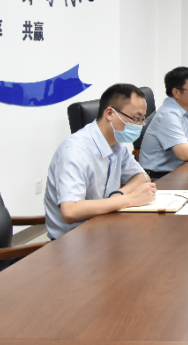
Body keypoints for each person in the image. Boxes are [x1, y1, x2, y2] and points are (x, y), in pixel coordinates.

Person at [45, 83, 157, 240]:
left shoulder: (116, 144)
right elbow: (70, 211)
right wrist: (128, 199)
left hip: (104, 226)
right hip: (73, 240)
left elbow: (141, 176)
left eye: (142, 120)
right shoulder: (75, 151)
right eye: (135, 119)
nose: (138, 126)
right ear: (110, 113)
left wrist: (118, 195)